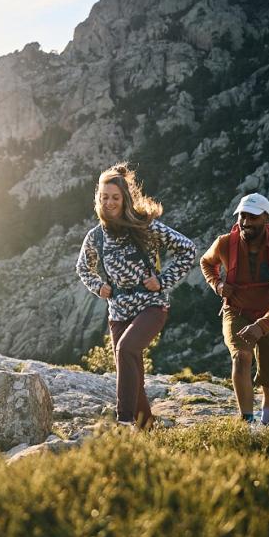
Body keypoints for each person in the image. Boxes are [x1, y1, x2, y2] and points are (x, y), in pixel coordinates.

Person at [76, 163, 196, 429]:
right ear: (98, 199)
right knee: (131, 373)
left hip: (151, 306)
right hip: (118, 310)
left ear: (125, 199)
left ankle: (124, 420)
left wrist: (163, 280)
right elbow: (83, 267)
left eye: (115, 197)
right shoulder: (96, 237)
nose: (109, 203)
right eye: (104, 197)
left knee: (125, 349)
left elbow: (187, 249)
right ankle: (147, 431)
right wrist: (98, 286)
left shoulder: (146, 227)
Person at [199, 193, 269, 426]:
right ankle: (247, 421)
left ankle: (265, 425)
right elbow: (206, 262)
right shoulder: (225, 243)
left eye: (253, 217)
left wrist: (262, 326)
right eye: (242, 216)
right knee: (241, 356)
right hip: (237, 310)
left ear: (266, 217)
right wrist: (218, 284)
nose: (245, 222)